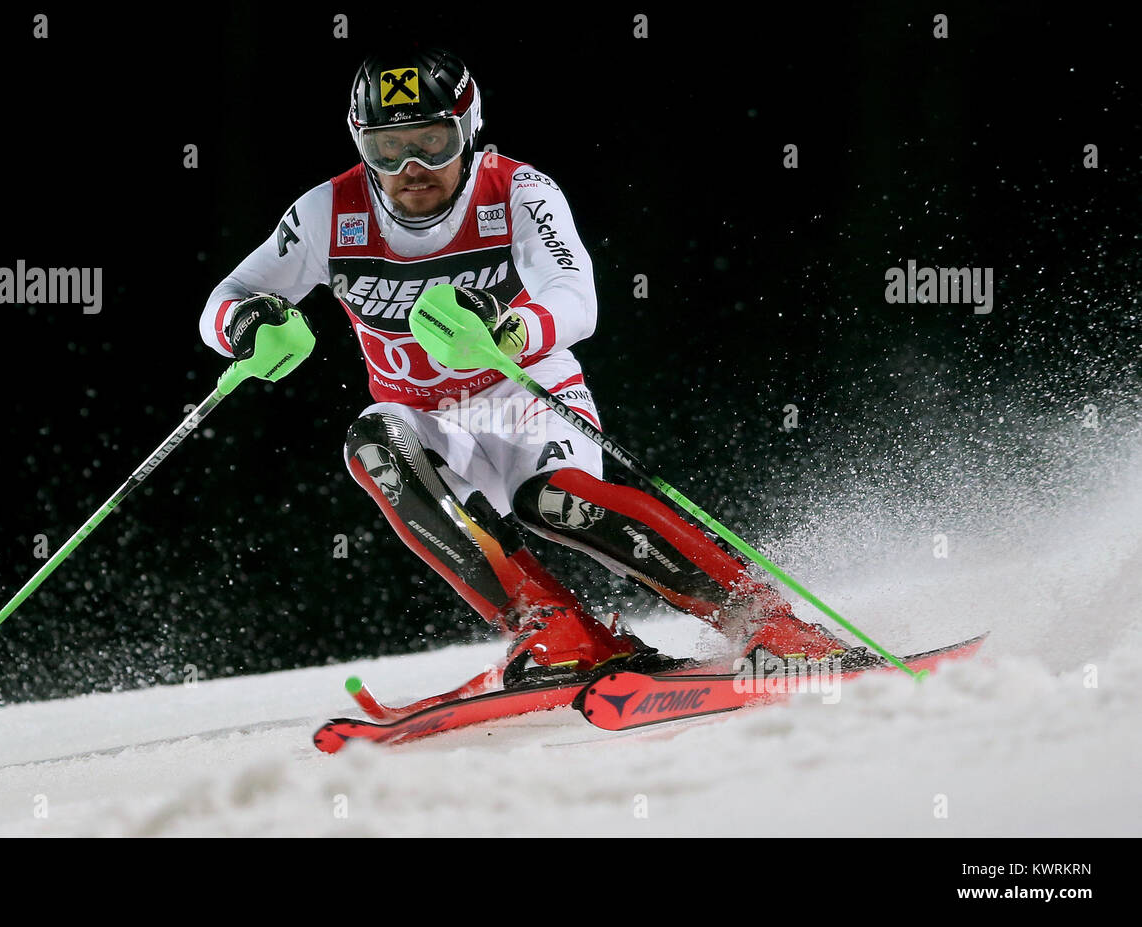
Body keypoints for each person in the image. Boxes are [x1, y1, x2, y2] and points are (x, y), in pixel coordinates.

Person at [199, 48, 848, 680]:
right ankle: (557, 630)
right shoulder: (326, 214)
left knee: (554, 502)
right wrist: (245, 324)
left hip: (525, 395)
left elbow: (578, 299)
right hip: (429, 420)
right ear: (360, 143)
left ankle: (765, 618)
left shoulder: (517, 190)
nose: (413, 168)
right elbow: (223, 300)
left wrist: (511, 330)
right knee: (372, 441)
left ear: (469, 130)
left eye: (433, 141)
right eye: (387, 150)